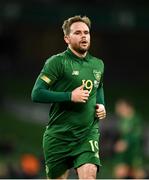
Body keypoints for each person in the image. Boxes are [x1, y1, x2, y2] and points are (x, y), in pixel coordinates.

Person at [31, 15, 106, 179]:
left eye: (86, 32)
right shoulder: (57, 62)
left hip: (87, 134)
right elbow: (37, 93)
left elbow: (98, 86)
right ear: (67, 38)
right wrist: (69, 96)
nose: (84, 36)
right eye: (78, 33)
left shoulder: (98, 64)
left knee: (89, 175)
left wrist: (101, 104)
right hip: (59, 136)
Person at [113, 98, 145, 179]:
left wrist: (126, 142)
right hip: (123, 154)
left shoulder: (136, 119)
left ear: (127, 107)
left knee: (137, 174)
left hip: (134, 151)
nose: (118, 109)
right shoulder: (122, 120)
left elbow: (137, 135)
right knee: (119, 172)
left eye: (120, 107)